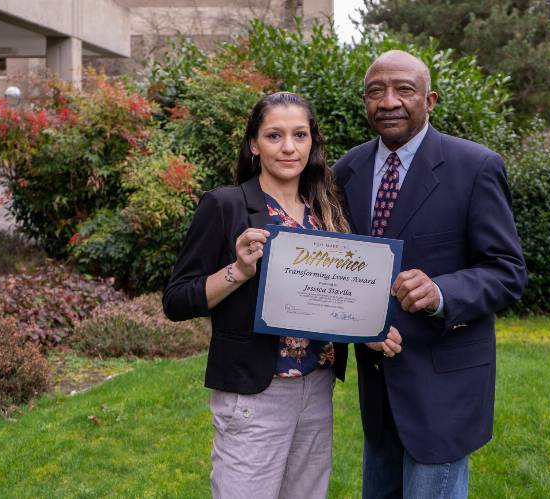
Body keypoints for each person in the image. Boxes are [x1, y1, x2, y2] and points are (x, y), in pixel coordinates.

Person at [162, 91, 402, 499]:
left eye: (299, 135)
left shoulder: (326, 209)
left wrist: (368, 327)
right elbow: (177, 300)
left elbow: (329, 298)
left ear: (313, 143)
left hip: (317, 386)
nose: (288, 147)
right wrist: (238, 271)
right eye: (274, 136)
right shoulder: (226, 205)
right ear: (253, 144)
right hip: (256, 392)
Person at [333, 51, 528, 498]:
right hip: (378, 387)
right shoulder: (348, 171)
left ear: (430, 100)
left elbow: (507, 271)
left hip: (444, 385)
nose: (389, 101)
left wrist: (441, 291)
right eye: (375, 91)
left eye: (404, 89)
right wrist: (356, 324)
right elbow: (341, 267)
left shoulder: (475, 167)